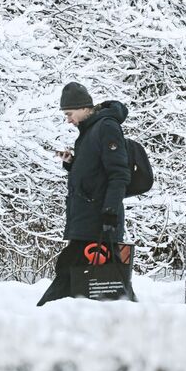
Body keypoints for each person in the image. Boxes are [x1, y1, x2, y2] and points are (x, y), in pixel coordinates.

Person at [37, 82, 133, 305]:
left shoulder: (106, 127)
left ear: (82, 108)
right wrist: (72, 163)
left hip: (98, 220)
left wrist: (110, 212)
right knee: (99, 278)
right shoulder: (89, 131)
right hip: (87, 219)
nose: (68, 119)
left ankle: (43, 315)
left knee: (74, 273)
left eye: (69, 113)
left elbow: (119, 174)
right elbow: (95, 173)